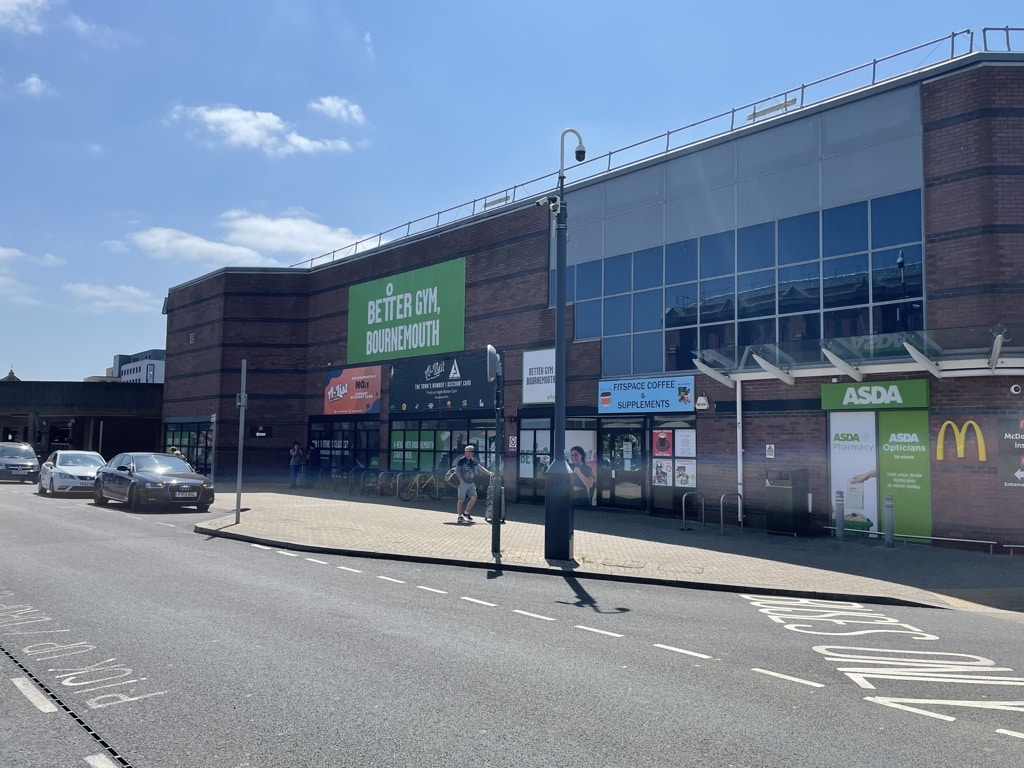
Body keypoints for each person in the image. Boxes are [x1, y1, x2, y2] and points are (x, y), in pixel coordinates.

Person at [455, 444, 492, 524]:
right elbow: (457, 471)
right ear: (466, 452)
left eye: (473, 451)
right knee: (461, 500)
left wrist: (488, 473)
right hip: (463, 483)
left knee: (474, 498)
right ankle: (459, 516)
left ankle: (466, 512)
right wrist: (461, 480)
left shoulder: (474, 460)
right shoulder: (461, 460)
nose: (472, 453)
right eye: (471, 451)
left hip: (471, 482)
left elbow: (480, 467)